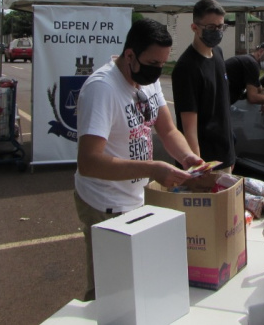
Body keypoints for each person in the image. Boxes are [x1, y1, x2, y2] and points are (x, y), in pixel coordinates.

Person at [74, 18, 204, 301]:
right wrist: (153, 168)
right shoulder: (102, 89)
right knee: (108, 292)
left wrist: (187, 157)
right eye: (153, 63)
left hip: (135, 197)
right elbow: (90, 162)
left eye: (162, 65)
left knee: (137, 283)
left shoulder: (149, 81)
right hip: (103, 204)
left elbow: (168, 130)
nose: (157, 71)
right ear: (130, 54)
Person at [171, 0, 235, 169]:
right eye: (211, 27)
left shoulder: (218, 54)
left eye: (221, 27)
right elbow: (189, 128)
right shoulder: (186, 68)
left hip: (225, 156)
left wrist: (231, 155)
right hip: (205, 162)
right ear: (195, 27)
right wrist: (198, 168)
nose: (217, 31)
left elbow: (222, 110)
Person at [224, 41, 264, 105]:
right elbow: (252, 98)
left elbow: (258, 86)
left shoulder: (249, 61)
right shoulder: (252, 64)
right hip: (219, 102)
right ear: (261, 51)